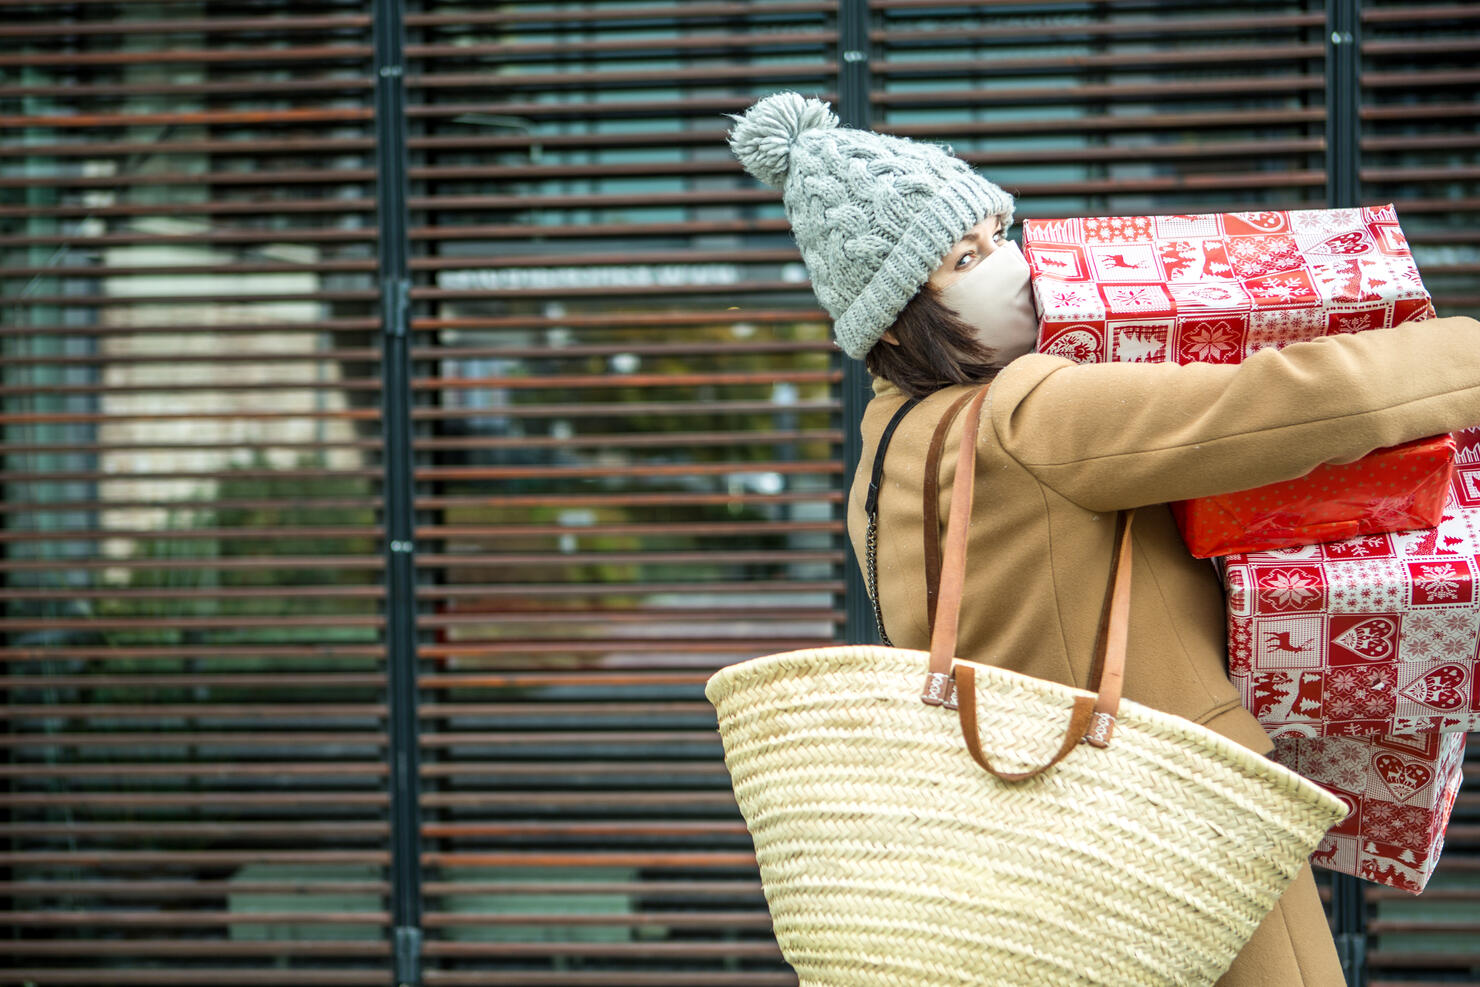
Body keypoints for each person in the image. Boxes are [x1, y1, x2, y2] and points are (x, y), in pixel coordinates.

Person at [725, 90, 1480, 986]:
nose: (1010, 266)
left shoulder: (888, 450)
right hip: (1176, 806)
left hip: (1057, 840)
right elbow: (1282, 404)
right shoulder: (1026, 412)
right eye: (965, 257)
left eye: (1000, 233)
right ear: (894, 318)